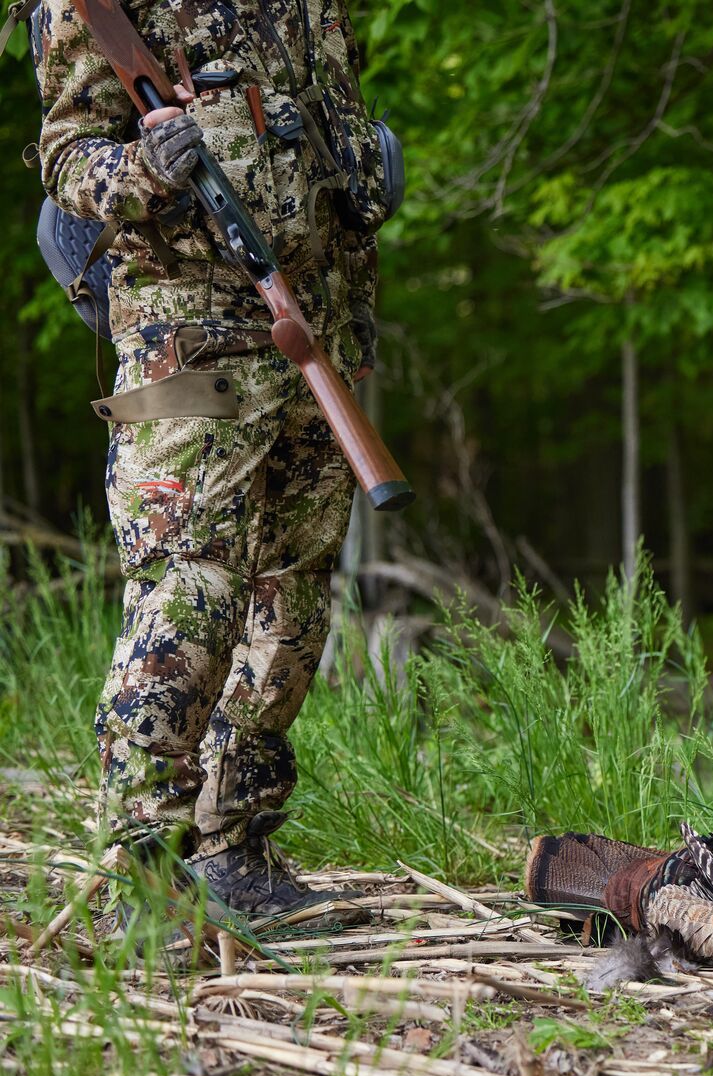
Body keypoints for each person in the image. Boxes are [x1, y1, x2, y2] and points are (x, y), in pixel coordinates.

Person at [33, 0, 392, 928]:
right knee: (190, 587)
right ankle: (137, 876)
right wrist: (144, 168)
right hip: (186, 335)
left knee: (296, 596)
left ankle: (237, 849)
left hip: (314, 327)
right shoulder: (101, 8)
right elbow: (68, 156)